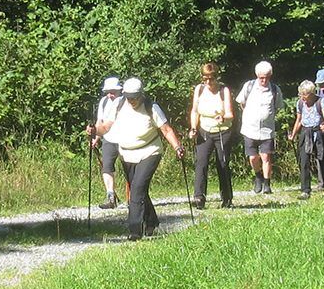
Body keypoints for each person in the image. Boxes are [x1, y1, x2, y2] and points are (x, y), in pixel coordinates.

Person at [95, 77, 184, 240]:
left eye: (135, 97)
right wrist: (95, 131)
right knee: (139, 188)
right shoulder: (119, 104)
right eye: (129, 97)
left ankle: (135, 230)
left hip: (150, 152)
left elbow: (166, 130)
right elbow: (105, 127)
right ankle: (151, 223)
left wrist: (177, 147)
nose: (132, 100)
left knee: (136, 189)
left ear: (141, 94)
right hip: (127, 153)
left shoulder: (151, 107)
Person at [188, 63, 235, 209]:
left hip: (222, 130)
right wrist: (193, 128)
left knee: (222, 164)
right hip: (204, 130)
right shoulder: (200, 89)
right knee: (201, 163)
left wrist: (222, 116)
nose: (208, 82)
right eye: (205, 78)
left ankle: (227, 198)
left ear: (217, 77)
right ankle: (199, 197)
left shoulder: (223, 90)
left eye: (211, 79)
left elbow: (230, 114)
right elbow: (195, 111)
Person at [235, 61, 284, 194]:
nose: (264, 80)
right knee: (252, 157)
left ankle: (267, 184)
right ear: (257, 76)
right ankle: (258, 176)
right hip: (249, 129)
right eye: (261, 77)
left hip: (267, 130)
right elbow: (241, 102)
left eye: (267, 77)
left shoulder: (275, 89)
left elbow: (279, 107)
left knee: (266, 157)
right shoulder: (249, 86)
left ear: (270, 75)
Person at [288, 80, 324, 200]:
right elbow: (299, 120)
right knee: (304, 161)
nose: (302, 97)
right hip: (305, 132)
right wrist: (293, 134)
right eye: (301, 94)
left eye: (305, 95)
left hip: (318, 131)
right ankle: (305, 190)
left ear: (312, 94)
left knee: (322, 159)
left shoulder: (320, 101)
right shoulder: (300, 103)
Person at [88, 77, 124, 209]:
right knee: (107, 167)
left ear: (119, 90)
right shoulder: (104, 102)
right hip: (108, 138)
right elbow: (100, 122)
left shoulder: (125, 101)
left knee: (130, 168)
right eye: (108, 91)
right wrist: (95, 138)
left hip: (124, 139)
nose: (110, 94)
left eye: (113, 91)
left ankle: (135, 198)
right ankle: (111, 196)